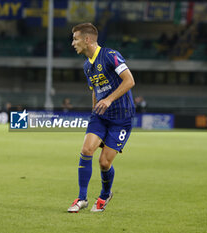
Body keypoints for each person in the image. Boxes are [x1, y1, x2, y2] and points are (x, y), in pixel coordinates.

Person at [68, 23, 135, 213]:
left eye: (75, 39)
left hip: (121, 117)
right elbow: (95, 91)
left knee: (104, 163)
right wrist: (94, 111)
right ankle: (81, 199)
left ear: (87, 40)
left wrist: (109, 99)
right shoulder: (87, 66)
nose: (73, 43)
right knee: (86, 149)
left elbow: (129, 80)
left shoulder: (110, 55)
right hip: (100, 116)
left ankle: (105, 195)